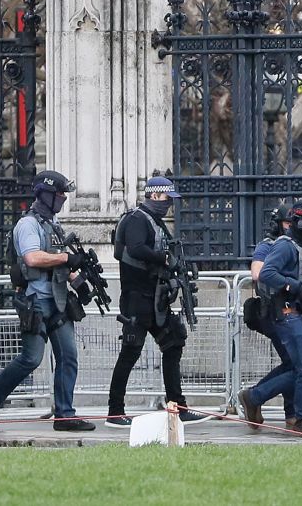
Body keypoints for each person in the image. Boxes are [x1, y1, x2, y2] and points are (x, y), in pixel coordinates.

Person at [0, 170, 96, 431]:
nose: (63, 198)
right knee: (31, 358)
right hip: (35, 301)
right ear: (46, 194)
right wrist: (64, 259)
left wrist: (79, 279)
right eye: (60, 193)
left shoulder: (54, 225)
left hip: (59, 300)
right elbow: (33, 258)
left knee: (69, 356)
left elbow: (60, 260)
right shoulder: (28, 224)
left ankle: (65, 415)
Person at [106, 177, 209, 428]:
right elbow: (137, 248)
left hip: (156, 298)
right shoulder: (136, 219)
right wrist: (163, 259)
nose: (169, 205)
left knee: (173, 345)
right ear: (154, 196)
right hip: (137, 299)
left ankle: (177, 406)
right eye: (166, 200)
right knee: (130, 351)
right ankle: (114, 411)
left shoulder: (157, 223)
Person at [239, 200, 302, 438]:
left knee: (300, 368)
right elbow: (266, 273)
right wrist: (294, 287)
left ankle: (255, 397)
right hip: (288, 314)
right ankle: (300, 419)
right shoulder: (285, 246)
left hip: (301, 314)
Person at [241, 204, 295, 429]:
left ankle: (288, 413)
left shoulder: (298, 245)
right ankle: (255, 397)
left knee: (293, 362)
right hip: (274, 311)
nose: (292, 227)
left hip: (294, 312)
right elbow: (258, 272)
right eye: (288, 223)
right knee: (297, 363)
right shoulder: (269, 245)